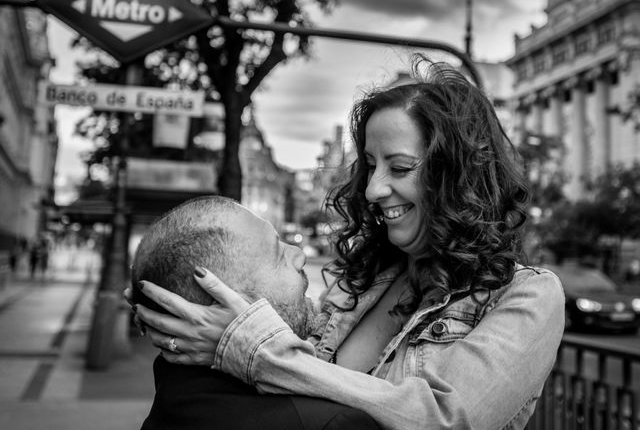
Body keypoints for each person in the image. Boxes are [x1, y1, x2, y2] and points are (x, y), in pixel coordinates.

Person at [133, 58, 565, 430]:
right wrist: (172, 294)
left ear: (458, 178)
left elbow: (446, 418)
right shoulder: (367, 278)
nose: (374, 189)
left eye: (399, 167)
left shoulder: (530, 296)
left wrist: (259, 353)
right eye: (371, 165)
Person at [130, 196, 380, 430]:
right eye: (277, 254)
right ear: (225, 299)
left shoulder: (173, 399)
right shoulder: (331, 423)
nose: (300, 255)